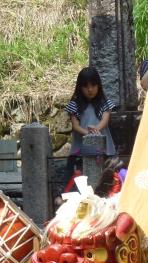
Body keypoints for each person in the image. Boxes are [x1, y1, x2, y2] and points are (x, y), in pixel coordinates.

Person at [58, 67, 116, 204]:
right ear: (80, 87)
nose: (90, 90)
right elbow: (76, 126)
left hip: (104, 148)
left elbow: (105, 120)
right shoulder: (75, 104)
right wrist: (89, 134)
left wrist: (96, 130)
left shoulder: (104, 102)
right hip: (80, 148)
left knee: (108, 179)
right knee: (74, 179)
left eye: (93, 85)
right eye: (86, 86)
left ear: (98, 86)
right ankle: (64, 201)